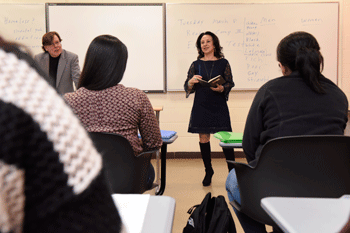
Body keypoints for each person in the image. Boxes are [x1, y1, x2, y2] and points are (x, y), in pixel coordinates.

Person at [226, 31, 349, 233]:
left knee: (233, 179)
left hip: (272, 193)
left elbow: (249, 145)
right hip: (329, 195)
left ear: (283, 66)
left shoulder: (269, 90)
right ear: (318, 59)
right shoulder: (339, 95)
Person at [0, 37, 122, 232]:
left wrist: (74, 99)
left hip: (56, 109)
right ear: (45, 48)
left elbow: (77, 79)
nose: (57, 46)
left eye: (59, 42)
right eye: (52, 44)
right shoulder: (35, 60)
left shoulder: (18, 76)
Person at [64, 34, 163, 190]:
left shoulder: (69, 101)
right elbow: (154, 143)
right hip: (130, 179)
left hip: (84, 180)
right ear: (119, 66)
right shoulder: (136, 97)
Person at [184, 31, 235, 186]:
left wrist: (222, 88)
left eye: (207, 41)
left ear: (214, 44)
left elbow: (230, 83)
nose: (204, 44)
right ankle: (208, 170)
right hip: (201, 105)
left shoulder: (223, 63)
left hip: (218, 104)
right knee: (203, 138)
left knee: (226, 138)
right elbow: (187, 85)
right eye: (202, 42)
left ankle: (232, 172)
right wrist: (191, 82)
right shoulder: (196, 64)